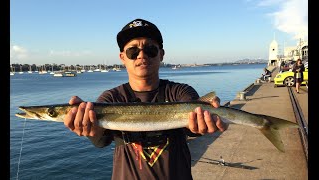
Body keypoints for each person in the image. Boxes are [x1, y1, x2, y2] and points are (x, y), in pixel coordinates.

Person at [63, 18, 228, 180]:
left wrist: (203, 123)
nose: (142, 55)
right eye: (133, 51)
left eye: (150, 49)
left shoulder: (179, 92)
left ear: (161, 55)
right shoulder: (111, 98)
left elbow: (194, 126)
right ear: (122, 58)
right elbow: (101, 141)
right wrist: (88, 127)